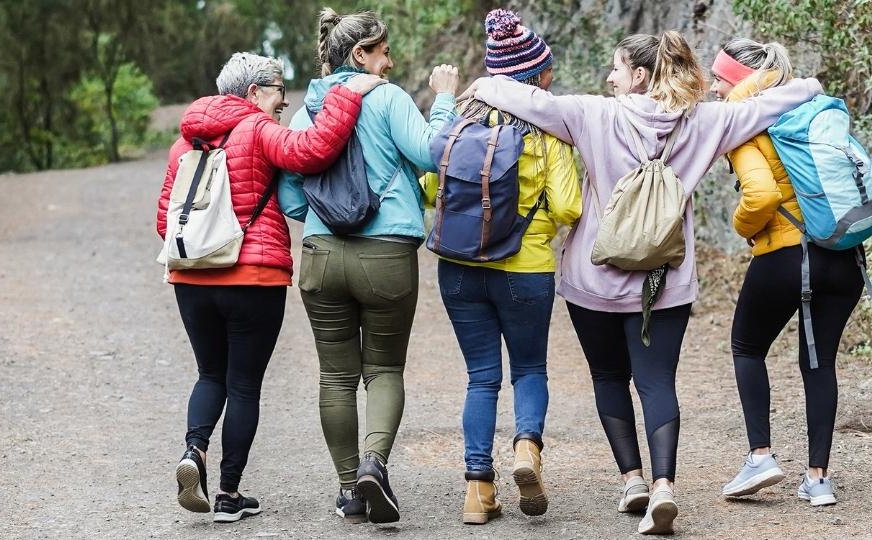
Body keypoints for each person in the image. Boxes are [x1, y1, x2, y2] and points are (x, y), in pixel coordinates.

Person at [462, 31, 822, 535]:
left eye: (616, 67)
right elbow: (769, 104)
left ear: (639, 76)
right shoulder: (705, 121)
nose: (609, 77)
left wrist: (481, 83)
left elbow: (525, 98)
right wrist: (809, 84)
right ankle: (663, 488)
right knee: (656, 382)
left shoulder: (591, 114)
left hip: (594, 281)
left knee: (609, 378)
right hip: (666, 281)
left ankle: (631, 478)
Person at [157, 52, 382, 523]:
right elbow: (312, 150)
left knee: (210, 375)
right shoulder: (256, 129)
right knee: (243, 385)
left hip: (191, 278)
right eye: (279, 89)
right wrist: (347, 94)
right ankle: (227, 494)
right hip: (253, 278)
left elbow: (166, 221)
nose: (284, 99)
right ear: (254, 92)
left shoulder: (184, 145)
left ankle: (193, 452)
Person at [278, 8, 458, 525]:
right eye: (383, 52)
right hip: (387, 254)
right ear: (360, 55)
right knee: (383, 368)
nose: (391, 61)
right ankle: (374, 466)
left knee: (335, 376)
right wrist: (444, 99)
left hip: (321, 254)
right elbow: (430, 153)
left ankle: (346, 489)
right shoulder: (387, 98)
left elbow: (292, 193)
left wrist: (323, 216)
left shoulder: (306, 112)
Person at [419, 8, 581, 525]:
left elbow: (430, 189)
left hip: (460, 268)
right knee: (529, 368)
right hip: (527, 266)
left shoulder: (461, 122)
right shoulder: (546, 133)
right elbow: (569, 207)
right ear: (537, 76)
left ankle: (477, 490)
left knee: (480, 377)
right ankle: (527, 450)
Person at [712, 38, 861, 507]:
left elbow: (760, 196)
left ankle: (760, 456)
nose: (714, 89)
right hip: (844, 254)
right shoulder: (812, 108)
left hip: (786, 254)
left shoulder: (745, 122)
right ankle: (818, 479)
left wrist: (739, 226)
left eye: (718, 78)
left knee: (746, 346)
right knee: (819, 363)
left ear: (737, 80)